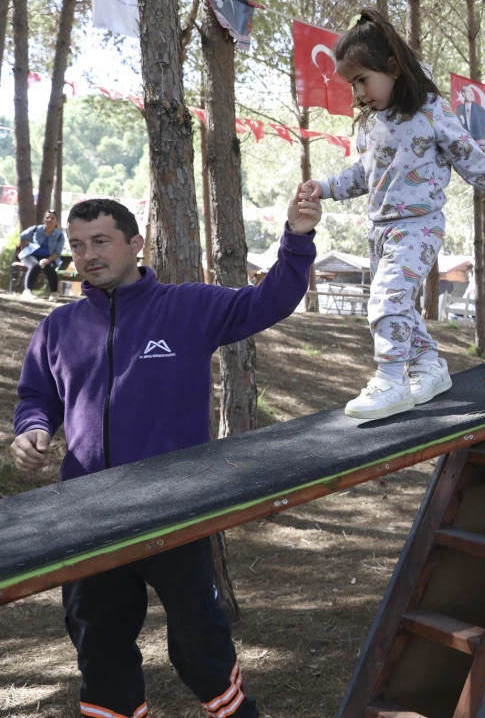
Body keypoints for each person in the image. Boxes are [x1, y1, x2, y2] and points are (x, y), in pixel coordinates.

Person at [10, 194, 322, 718]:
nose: (89, 255)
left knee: (202, 649)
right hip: (86, 515)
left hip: (174, 511)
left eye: (102, 241)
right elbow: (36, 399)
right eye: (79, 244)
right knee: (101, 654)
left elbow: (270, 300)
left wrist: (298, 237)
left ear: (136, 244)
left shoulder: (188, 307)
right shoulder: (57, 328)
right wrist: (32, 430)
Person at [299, 10, 485, 420]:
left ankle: (390, 379)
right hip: (381, 231)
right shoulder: (372, 124)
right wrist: (326, 187)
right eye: (351, 84)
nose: (358, 93)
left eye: (361, 80)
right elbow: (364, 174)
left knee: (388, 298)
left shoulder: (430, 111)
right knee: (402, 306)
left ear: (393, 68)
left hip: (419, 226)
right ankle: (428, 368)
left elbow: (469, 157)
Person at [18, 209, 67, 298]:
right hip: (31, 255)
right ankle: (27, 291)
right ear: (44, 219)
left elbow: (57, 252)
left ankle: (53, 293)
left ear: (56, 221)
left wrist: (47, 260)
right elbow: (22, 236)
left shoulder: (59, 236)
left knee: (50, 268)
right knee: (35, 265)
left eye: (52, 218)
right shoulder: (36, 229)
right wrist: (23, 249)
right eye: (47, 217)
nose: (50, 220)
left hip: (50, 258)